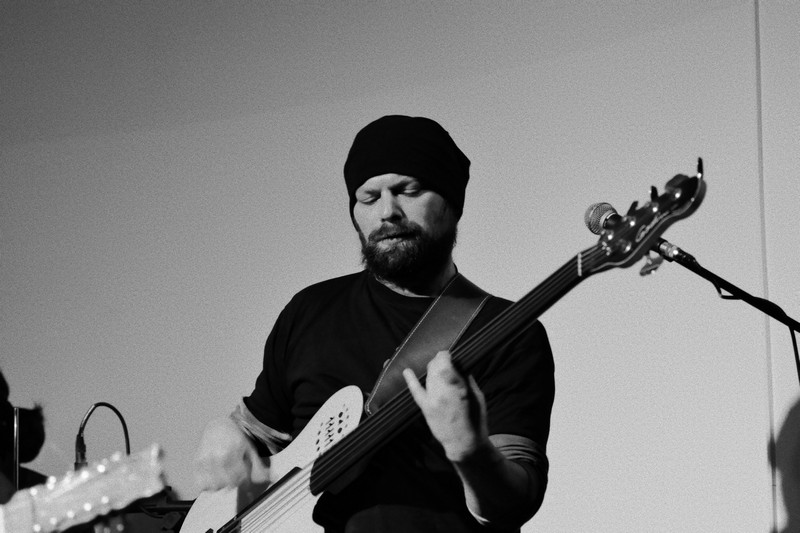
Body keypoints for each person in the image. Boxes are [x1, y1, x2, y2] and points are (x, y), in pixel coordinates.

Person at [193, 115, 555, 532]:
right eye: (368, 197)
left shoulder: (508, 331)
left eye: (408, 191)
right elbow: (258, 434)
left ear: (452, 204)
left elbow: (513, 503)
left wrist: (468, 449)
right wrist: (224, 431)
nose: (387, 212)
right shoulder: (310, 310)